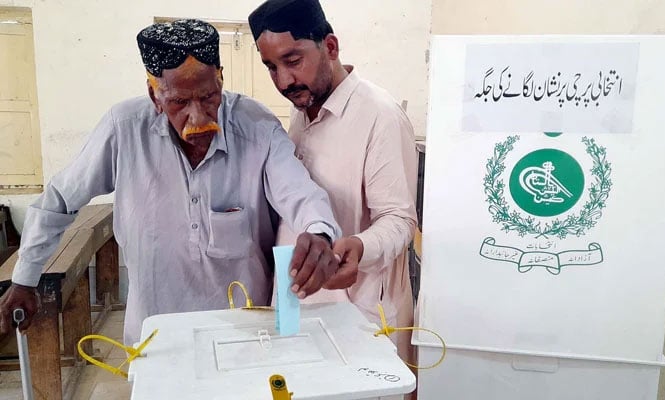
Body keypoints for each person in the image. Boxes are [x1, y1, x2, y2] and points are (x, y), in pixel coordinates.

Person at [0, 19, 343, 346]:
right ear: (155, 96)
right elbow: (58, 201)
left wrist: (319, 231)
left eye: (209, 97)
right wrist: (25, 277)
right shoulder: (124, 129)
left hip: (246, 332)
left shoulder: (255, 126)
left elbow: (300, 192)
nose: (197, 115)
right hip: (156, 335)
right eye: (179, 101)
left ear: (220, 81)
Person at [248, 0, 418, 363]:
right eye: (271, 68)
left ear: (330, 47)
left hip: (360, 317)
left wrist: (358, 245)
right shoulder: (301, 111)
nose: (284, 81)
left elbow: (400, 220)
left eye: (293, 61)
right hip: (300, 312)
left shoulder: (380, 116)